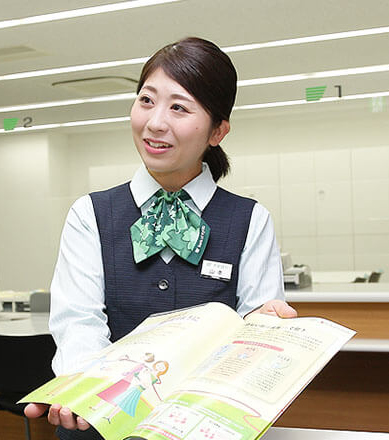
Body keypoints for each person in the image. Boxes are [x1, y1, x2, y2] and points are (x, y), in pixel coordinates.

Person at [25, 37, 297, 439]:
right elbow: (78, 322)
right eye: (146, 100)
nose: (155, 123)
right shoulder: (91, 213)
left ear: (218, 131)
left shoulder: (249, 219)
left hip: (202, 428)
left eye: (179, 107)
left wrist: (267, 329)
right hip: (98, 424)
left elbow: (253, 337)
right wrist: (87, 392)